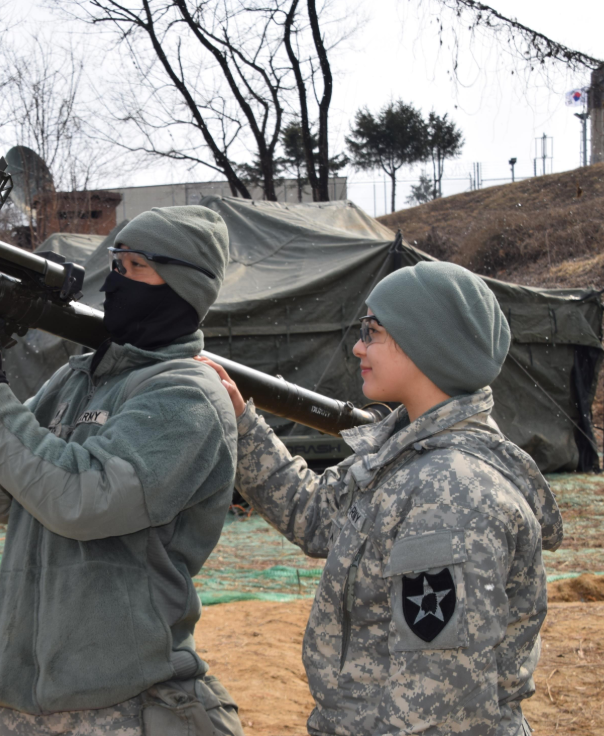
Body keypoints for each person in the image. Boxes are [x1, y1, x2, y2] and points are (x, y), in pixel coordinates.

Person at [0, 205, 245, 736]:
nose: (116, 282)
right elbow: (8, 495)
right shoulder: (78, 379)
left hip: (122, 702)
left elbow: (81, 500)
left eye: (136, 267)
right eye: (115, 264)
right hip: (28, 697)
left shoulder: (185, 394)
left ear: (183, 285)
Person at [197, 260, 563, 736]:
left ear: (423, 342)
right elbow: (316, 514)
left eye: (372, 331)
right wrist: (244, 426)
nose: (356, 346)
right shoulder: (405, 453)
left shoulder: (449, 494)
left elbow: (436, 707)